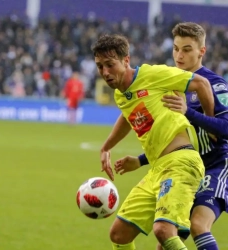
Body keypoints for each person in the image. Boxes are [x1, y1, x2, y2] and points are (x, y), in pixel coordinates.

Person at [113, 22, 228, 250]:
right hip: (182, 169)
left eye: (187, 49)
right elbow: (169, 137)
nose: (179, 55)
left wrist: (188, 112)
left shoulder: (214, 83)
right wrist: (140, 160)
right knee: (165, 242)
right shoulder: (167, 81)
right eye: (176, 48)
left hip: (216, 166)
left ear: (202, 51)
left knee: (198, 225)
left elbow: (224, 131)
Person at [92, 33, 215, 250]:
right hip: (157, 169)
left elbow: (202, 83)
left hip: (181, 163)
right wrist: (106, 147)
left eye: (110, 65)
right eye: (100, 66)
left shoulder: (153, 74)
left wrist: (210, 124)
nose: (105, 72)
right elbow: (128, 116)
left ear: (126, 60)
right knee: (119, 234)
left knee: (163, 231)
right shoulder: (122, 94)